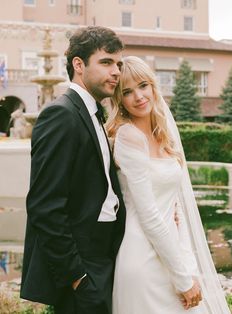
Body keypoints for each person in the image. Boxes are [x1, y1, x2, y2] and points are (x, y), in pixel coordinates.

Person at [106, 56, 231, 314]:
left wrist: (188, 267)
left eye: (143, 86)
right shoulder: (129, 137)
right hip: (143, 260)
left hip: (171, 256)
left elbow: (176, 209)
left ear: (153, 86)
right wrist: (183, 279)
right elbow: (150, 216)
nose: (139, 96)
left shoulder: (162, 137)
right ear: (120, 100)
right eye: (127, 92)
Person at [20, 26, 126, 314]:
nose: (116, 71)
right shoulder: (61, 114)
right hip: (83, 264)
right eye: (106, 62)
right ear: (78, 65)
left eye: (118, 63)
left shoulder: (91, 113)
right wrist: (76, 276)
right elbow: (45, 205)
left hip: (103, 256)